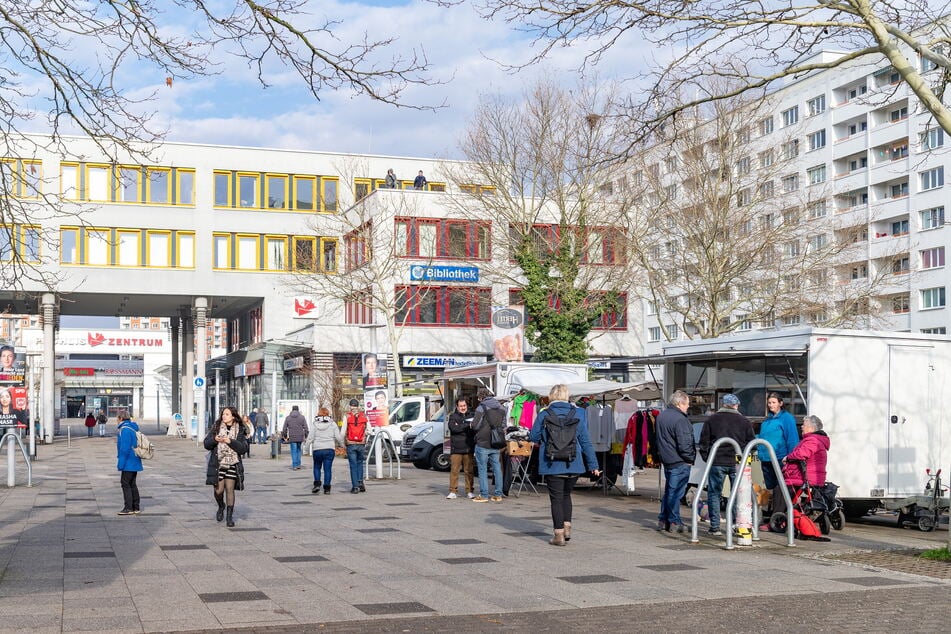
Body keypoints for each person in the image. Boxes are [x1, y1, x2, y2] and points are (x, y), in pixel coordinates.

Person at [529, 384, 601, 546]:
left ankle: (558, 535)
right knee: (566, 496)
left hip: (552, 463)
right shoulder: (578, 413)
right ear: (567, 396)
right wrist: (593, 465)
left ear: (551, 396)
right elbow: (586, 442)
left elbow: (534, 436)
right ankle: (567, 527)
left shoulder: (544, 414)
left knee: (556, 499)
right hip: (573, 463)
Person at [699, 393, 755, 536]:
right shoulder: (744, 421)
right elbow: (752, 444)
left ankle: (715, 527)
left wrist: (708, 458)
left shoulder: (711, 420)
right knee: (737, 494)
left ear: (723, 404)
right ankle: (737, 525)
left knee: (714, 494)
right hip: (737, 462)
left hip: (716, 461)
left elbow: (703, 443)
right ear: (736, 405)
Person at [655, 390, 696, 533]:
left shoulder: (662, 416)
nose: (688, 407)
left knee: (670, 491)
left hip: (667, 459)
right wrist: (690, 458)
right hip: (680, 461)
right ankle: (674, 521)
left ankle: (663, 519)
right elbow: (684, 444)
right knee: (676, 492)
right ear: (680, 404)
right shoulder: (680, 419)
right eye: (687, 404)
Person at [204, 406, 249, 527]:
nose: (224, 416)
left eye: (227, 414)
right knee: (218, 490)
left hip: (232, 463)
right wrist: (215, 439)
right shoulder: (216, 427)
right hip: (218, 463)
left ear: (233, 416)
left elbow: (243, 449)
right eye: (223, 414)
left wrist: (230, 441)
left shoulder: (240, 430)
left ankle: (229, 517)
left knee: (229, 489)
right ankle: (221, 506)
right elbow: (206, 444)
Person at [757, 392, 799, 514]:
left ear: (780, 403)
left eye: (773, 402)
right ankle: (771, 512)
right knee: (770, 487)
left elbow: (792, 438)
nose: (771, 405)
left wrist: (791, 457)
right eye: (769, 403)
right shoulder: (767, 420)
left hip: (780, 458)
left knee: (780, 487)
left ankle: (779, 512)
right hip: (765, 458)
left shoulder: (786, 418)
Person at [470, 388, 505, 503]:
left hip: (483, 442)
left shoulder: (481, 408)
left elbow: (475, 426)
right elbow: (503, 424)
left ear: (480, 397)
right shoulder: (501, 407)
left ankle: (484, 495)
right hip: (496, 442)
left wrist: (471, 424)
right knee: (497, 469)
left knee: (482, 469)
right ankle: (498, 495)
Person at [303, 407, 344, 494]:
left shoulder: (315, 424)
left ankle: (317, 484)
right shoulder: (332, 424)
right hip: (329, 449)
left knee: (317, 467)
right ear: (328, 414)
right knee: (327, 469)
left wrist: (306, 449)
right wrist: (342, 445)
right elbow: (338, 437)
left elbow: (310, 438)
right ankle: (327, 488)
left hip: (317, 449)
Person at [781, 415, 830, 487]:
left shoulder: (813, 440)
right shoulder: (813, 440)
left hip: (804, 478)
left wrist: (787, 458)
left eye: (804, 425)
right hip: (803, 477)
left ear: (811, 428)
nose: (801, 427)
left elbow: (801, 454)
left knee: (779, 491)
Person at [446, 398, 475, 499]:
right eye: (461, 406)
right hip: (456, 448)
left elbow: (473, 430)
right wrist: (467, 425)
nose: (463, 408)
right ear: (457, 407)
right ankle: (453, 491)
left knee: (469, 471)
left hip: (468, 447)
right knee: (454, 470)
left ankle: (470, 491)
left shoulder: (472, 415)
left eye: (464, 406)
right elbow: (453, 428)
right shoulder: (453, 416)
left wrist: (461, 426)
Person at [115, 409, 143, 515]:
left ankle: (128, 508)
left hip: (128, 461)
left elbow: (124, 449)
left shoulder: (124, 429)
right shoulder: (132, 427)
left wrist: (120, 464)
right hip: (135, 459)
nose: (116, 421)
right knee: (132, 484)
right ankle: (136, 507)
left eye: (117, 418)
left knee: (125, 483)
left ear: (120, 418)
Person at [344, 399, 369, 493]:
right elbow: (369, 430)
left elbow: (343, 432)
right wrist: (364, 436)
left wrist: (343, 443)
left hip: (350, 444)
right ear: (358, 406)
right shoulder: (364, 415)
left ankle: (355, 487)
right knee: (360, 463)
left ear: (350, 406)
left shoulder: (347, 416)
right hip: (361, 444)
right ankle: (360, 483)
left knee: (353, 465)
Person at [281, 405, 309, 470]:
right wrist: (306, 435)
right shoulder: (302, 417)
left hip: (292, 436)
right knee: (299, 450)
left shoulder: (288, 418)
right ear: (298, 410)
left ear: (292, 410)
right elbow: (306, 427)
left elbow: (284, 428)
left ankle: (294, 465)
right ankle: (298, 464)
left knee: (293, 451)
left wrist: (285, 436)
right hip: (300, 436)